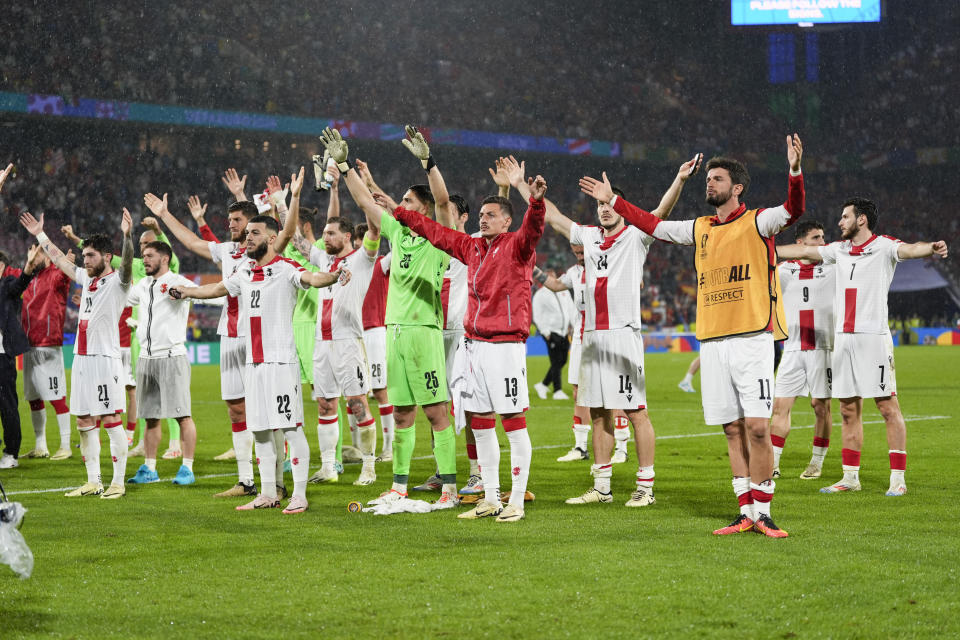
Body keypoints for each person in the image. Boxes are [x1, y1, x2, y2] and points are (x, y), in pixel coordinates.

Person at [580, 135, 804, 537]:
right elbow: (653, 224)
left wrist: (794, 171)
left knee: (757, 427)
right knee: (732, 430)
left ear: (736, 188)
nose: (710, 184)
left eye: (717, 179)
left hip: (753, 338)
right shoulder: (699, 227)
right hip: (713, 342)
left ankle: (764, 512)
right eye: (709, 179)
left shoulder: (758, 221)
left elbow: (795, 208)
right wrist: (614, 201)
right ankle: (744, 511)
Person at [387, 141, 548, 523]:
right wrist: (395, 211)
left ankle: (517, 502)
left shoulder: (519, 247)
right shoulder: (472, 248)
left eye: (492, 215)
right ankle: (490, 496)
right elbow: (433, 230)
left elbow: (534, 227)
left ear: (507, 221)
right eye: (483, 215)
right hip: (473, 347)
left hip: (505, 347)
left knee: (513, 424)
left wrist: (536, 202)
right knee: (479, 423)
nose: (484, 219)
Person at [171, 167, 343, 514]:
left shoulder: (286, 269)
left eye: (254, 233)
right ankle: (267, 492)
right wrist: (186, 290)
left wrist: (334, 275)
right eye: (246, 233)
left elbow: (314, 277)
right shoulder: (244, 272)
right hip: (254, 364)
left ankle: (299, 494)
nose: (246, 238)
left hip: (281, 364)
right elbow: (216, 289)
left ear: (270, 237)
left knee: (291, 429)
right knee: (262, 431)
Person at [539, 154, 698, 508]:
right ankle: (602, 486)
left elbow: (661, 213)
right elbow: (553, 217)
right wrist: (525, 188)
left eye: (608, 203)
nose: (603, 210)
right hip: (593, 337)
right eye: (598, 205)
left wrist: (680, 179)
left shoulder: (636, 237)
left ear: (621, 207)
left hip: (623, 336)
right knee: (598, 412)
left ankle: (645, 486)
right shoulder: (590, 236)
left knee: (636, 411)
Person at [322, 126, 460, 509]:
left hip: (424, 332)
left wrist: (428, 163)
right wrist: (345, 166)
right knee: (401, 414)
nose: (400, 204)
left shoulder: (440, 235)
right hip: (395, 331)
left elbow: (445, 201)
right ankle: (399, 485)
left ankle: (448, 486)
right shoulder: (398, 234)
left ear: (424, 208)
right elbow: (366, 202)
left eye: (407, 200)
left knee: (435, 411)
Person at [775, 197, 948, 496]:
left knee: (887, 407)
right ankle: (850, 477)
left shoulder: (884, 247)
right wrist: (758, 249)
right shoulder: (838, 251)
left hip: (872, 338)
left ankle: (897, 478)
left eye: (845, 217)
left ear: (862, 220)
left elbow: (909, 249)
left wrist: (930, 247)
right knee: (847, 409)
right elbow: (803, 250)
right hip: (842, 340)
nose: (839, 223)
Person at [144, 174, 261, 499]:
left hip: (259, 336)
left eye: (236, 220)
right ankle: (246, 480)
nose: (231, 224)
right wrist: (165, 215)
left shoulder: (264, 250)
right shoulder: (226, 251)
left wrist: (258, 199)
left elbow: (279, 227)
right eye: (231, 220)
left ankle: (274, 478)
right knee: (235, 409)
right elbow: (192, 243)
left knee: (264, 409)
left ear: (253, 223)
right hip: (230, 334)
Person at [20, 208, 135, 498]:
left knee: (110, 420)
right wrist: (41, 235)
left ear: (107, 257)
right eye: (84, 257)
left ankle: (118, 482)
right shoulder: (88, 280)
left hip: (105, 360)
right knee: (83, 421)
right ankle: (93, 481)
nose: (85, 261)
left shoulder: (119, 282)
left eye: (91, 256)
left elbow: (129, 263)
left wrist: (127, 236)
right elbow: (58, 258)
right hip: (82, 360)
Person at [289, 163, 381, 487]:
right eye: (324, 233)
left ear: (346, 236)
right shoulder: (324, 260)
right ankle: (329, 467)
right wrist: (288, 198)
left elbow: (373, 230)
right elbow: (297, 239)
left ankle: (369, 465)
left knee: (357, 403)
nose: (324, 237)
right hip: (321, 342)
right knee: (326, 404)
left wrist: (366, 197)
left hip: (347, 342)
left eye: (331, 233)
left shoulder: (362, 259)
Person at [63, 218, 181, 457]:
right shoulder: (139, 265)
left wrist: (158, 230)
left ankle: (175, 443)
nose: (144, 250)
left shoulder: (168, 267)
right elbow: (104, 257)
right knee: (143, 393)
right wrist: (76, 240)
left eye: (149, 245)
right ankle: (141, 442)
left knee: (168, 394)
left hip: (164, 339)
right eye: (141, 244)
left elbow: (121, 260)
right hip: (139, 338)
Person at [124, 242, 199, 486]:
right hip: (146, 359)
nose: (144, 259)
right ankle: (150, 468)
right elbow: (124, 298)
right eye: (143, 255)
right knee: (151, 417)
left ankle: (187, 468)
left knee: (183, 416)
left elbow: (209, 296)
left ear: (165, 258)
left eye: (149, 256)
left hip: (171, 357)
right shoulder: (143, 285)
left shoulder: (179, 281)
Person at [770, 221, 835, 480]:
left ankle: (816, 462)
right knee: (780, 407)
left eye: (823, 237)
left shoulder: (833, 267)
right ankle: (772, 463)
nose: (822, 242)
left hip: (823, 349)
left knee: (820, 406)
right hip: (793, 348)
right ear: (799, 244)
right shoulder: (784, 271)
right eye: (816, 238)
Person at [537, 245, 593, 462]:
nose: (579, 256)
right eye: (576, 252)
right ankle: (580, 448)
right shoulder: (573, 273)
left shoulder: (609, 265)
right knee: (579, 392)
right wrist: (531, 267)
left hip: (604, 337)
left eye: (582, 252)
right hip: (579, 338)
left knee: (610, 396)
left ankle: (621, 445)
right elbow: (556, 285)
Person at [18, 246, 73, 459]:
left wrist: (61, 257)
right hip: (28, 345)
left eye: (38, 252)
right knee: (34, 398)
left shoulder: (56, 275)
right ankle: (41, 446)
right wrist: (29, 264)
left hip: (49, 345)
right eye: (30, 253)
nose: (33, 256)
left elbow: (66, 268)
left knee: (56, 397)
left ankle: (66, 445)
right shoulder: (29, 278)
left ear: (48, 256)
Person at [0, 246, 43, 469]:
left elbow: (20, 285)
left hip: (1, 356)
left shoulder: (6, 285)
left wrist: (28, 267)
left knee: (6, 405)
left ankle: (11, 453)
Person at [532, 267, 575, 401]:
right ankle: (557, 390)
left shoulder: (563, 292)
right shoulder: (540, 294)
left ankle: (543, 385)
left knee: (563, 360)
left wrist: (573, 326)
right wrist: (545, 332)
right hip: (551, 332)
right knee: (556, 361)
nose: (552, 278)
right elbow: (537, 314)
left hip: (564, 331)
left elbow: (571, 309)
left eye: (553, 276)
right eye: (549, 276)